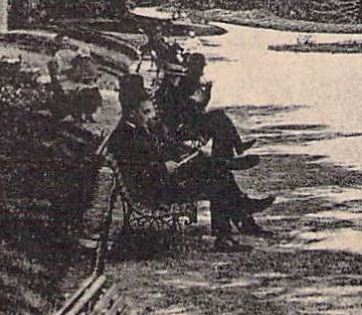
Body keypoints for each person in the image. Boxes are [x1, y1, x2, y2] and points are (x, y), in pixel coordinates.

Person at [108, 74, 273, 251]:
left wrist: (182, 154)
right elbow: (138, 171)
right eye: (146, 112)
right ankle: (234, 221)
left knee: (214, 171)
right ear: (132, 113)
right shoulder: (125, 136)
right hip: (156, 192)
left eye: (151, 111)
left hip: (163, 182)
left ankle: (236, 215)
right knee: (218, 179)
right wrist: (163, 167)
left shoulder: (137, 128)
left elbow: (161, 151)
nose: (152, 115)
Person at [155, 53, 254, 159]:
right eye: (201, 67)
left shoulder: (180, 83)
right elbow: (191, 107)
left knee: (219, 119)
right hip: (182, 128)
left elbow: (195, 106)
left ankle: (229, 153)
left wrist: (205, 94)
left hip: (186, 124)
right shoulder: (181, 85)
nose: (202, 71)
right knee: (219, 120)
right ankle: (227, 154)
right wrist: (205, 94)